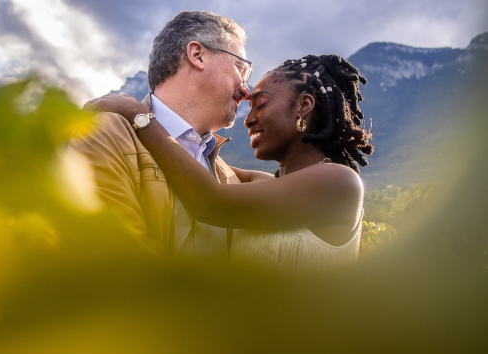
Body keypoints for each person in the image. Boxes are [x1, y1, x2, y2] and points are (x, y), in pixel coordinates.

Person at [89, 54, 373, 270]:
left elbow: (210, 200)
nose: (248, 120)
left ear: (304, 105)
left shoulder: (339, 183)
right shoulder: (265, 184)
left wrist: (138, 114)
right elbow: (194, 160)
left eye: (260, 103)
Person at [69, 11, 252, 259]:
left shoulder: (225, 171)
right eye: (241, 68)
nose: (246, 88)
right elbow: (117, 262)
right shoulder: (105, 134)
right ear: (197, 55)